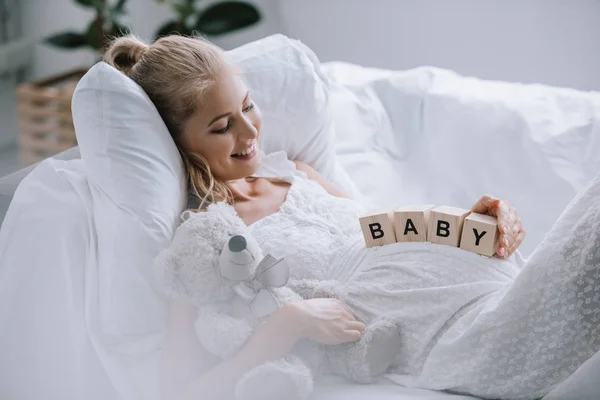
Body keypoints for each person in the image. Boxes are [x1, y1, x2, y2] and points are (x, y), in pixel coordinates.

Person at [103, 34, 600, 400]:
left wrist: (475, 222)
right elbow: (179, 392)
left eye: (248, 107)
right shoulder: (210, 241)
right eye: (221, 126)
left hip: (499, 281)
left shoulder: (295, 173)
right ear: (177, 141)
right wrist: (287, 323)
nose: (248, 131)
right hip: (457, 336)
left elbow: (378, 226)